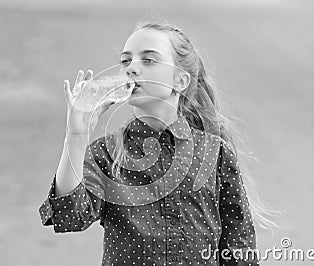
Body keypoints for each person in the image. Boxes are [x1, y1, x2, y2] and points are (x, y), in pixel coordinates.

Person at [39, 21, 273, 265]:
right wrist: (76, 137)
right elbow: (69, 216)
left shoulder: (215, 152)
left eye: (148, 60)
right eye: (125, 61)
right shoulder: (107, 154)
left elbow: (239, 249)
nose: (131, 68)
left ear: (180, 81)